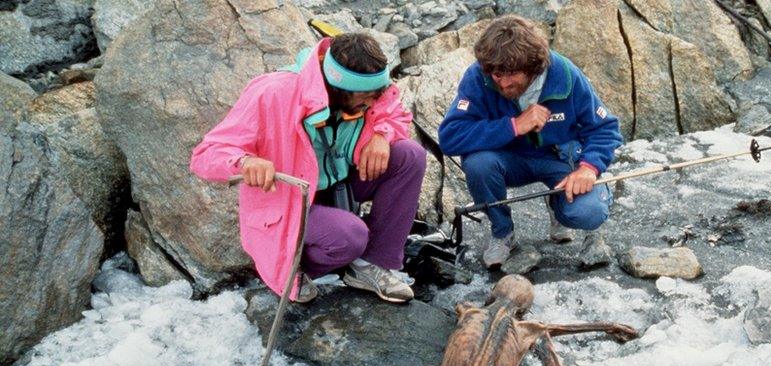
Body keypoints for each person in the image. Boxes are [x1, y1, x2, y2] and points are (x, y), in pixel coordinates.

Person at [191, 33, 425, 303]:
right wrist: (245, 162)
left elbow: (392, 110)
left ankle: (370, 265)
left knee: (410, 155)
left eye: (376, 95)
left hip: (341, 185)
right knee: (350, 235)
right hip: (289, 202)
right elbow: (206, 154)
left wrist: (382, 136)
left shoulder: (370, 94)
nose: (372, 104)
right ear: (338, 87)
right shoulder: (273, 92)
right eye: (365, 97)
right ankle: (295, 269)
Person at [438, 15, 623, 268]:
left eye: (511, 74)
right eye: (496, 74)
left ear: (533, 67)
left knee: (588, 212)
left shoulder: (565, 74)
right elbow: (450, 136)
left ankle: (558, 204)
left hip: (559, 159)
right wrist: (513, 126)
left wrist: (589, 169)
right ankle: (502, 232)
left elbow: (605, 128)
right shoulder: (478, 77)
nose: (502, 82)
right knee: (478, 164)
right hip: (507, 160)